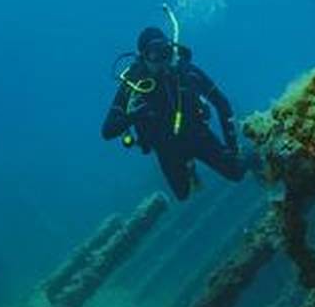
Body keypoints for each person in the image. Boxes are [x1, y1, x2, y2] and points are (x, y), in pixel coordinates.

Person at [103, 26, 245, 200]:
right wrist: (134, 116)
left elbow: (222, 103)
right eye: (153, 55)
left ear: (171, 50)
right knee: (182, 194)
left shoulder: (186, 72)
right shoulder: (133, 85)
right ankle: (190, 168)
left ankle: (253, 159)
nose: (161, 60)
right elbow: (107, 131)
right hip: (166, 148)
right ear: (143, 58)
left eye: (165, 52)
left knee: (236, 172)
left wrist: (233, 148)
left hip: (197, 135)